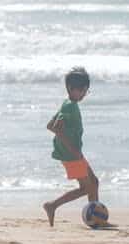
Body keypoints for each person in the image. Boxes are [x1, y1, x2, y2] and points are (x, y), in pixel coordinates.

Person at [43, 66, 102, 227]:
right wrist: (73, 150)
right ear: (71, 88)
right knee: (86, 187)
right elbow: (55, 128)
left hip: (74, 152)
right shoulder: (69, 106)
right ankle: (52, 205)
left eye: (86, 91)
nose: (84, 95)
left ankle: (95, 215)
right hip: (71, 155)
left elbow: (50, 125)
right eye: (82, 91)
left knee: (94, 183)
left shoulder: (68, 104)